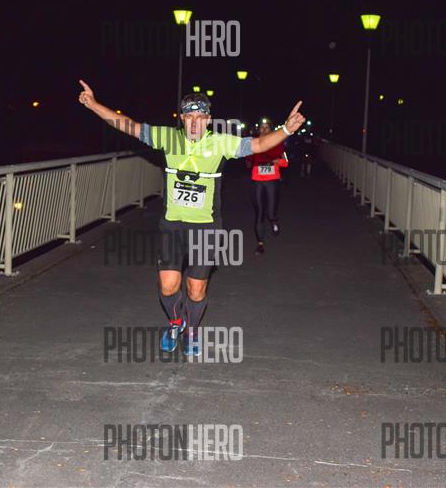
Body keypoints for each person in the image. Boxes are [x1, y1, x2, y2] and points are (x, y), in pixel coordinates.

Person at [78, 80, 305, 355]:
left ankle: (193, 330)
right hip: (172, 225)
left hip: (206, 228)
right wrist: (93, 105)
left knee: (196, 289)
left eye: (200, 116)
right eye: (189, 116)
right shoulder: (168, 138)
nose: (195, 122)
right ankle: (176, 322)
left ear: (208, 120)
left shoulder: (220, 142)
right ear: (182, 119)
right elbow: (127, 125)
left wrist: (286, 129)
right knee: (168, 286)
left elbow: (258, 145)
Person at [246, 122, 288, 255]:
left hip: (272, 181)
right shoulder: (253, 143)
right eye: (262, 128)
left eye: (267, 127)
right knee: (259, 213)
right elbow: (248, 162)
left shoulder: (277, 143)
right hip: (257, 181)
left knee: (270, 212)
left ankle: (274, 220)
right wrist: (249, 158)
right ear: (258, 130)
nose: (264, 129)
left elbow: (286, 162)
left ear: (271, 130)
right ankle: (260, 244)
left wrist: (276, 161)